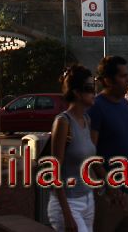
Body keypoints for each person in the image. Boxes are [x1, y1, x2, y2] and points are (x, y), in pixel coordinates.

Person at [90, 55, 128, 231]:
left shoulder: (125, 105)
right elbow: (91, 152)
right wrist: (108, 185)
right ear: (108, 80)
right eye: (123, 76)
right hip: (109, 197)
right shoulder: (96, 107)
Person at [47, 64, 97, 232]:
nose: (94, 92)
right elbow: (55, 170)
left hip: (87, 199)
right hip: (68, 203)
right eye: (90, 88)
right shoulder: (63, 122)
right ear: (77, 92)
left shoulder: (87, 120)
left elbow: (91, 161)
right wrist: (66, 214)